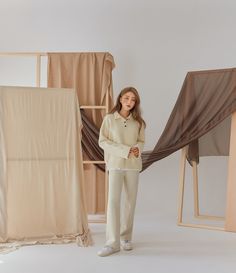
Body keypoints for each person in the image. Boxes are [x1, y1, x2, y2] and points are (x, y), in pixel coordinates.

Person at [97, 86, 146, 257]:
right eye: (127, 98)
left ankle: (126, 238)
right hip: (116, 164)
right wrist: (125, 150)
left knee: (130, 202)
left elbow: (141, 141)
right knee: (113, 202)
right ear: (120, 99)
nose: (129, 102)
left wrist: (136, 150)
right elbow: (103, 141)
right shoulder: (109, 119)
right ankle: (112, 243)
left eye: (133, 100)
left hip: (133, 165)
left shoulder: (138, 122)